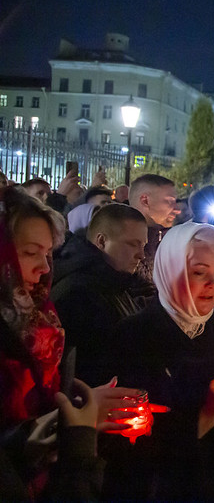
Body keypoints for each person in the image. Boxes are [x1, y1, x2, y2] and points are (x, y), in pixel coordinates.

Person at [102, 222, 214, 499]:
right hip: (165, 486)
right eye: (199, 272)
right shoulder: (134, 334)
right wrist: (208, 411)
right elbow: (127, 440)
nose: (212, 284)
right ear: (171, 271)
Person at [0, 187, 137, 499]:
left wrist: (78, 415)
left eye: (48, 253)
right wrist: (70, 433)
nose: (46, 268)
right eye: (29, 252)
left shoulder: (40, 320)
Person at [51, 204, 148, 385]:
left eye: (143, 245)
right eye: (133, 244)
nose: (141, 255)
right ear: (102, 241)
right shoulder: (78, 295)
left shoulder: (115, 282)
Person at [129, 174, 180, 285]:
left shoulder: (167, 241)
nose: (177, 210)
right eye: (170, 201)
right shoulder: (123, 249)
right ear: (145, 200)